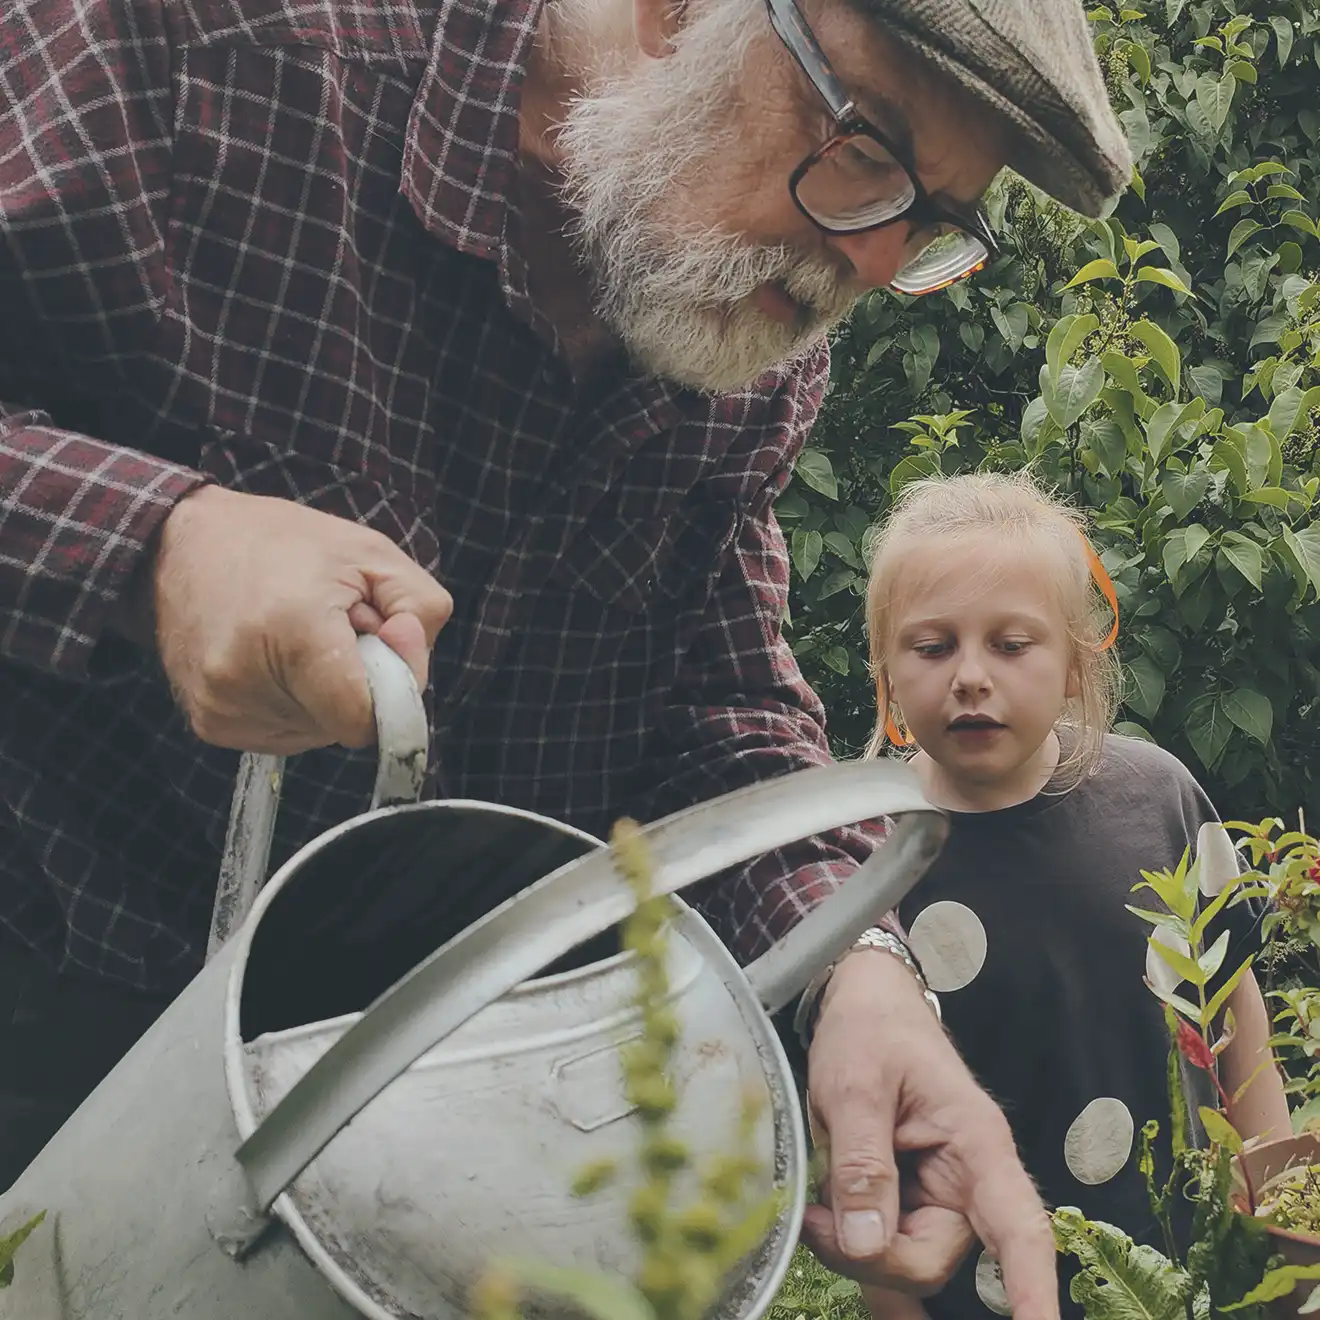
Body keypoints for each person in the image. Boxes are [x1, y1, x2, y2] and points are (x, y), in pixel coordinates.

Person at [0, 0, 1131, 1307]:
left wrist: (853, 975)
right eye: (869, 146)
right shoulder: (195, 52)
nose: (876, 265)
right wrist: (155, 547)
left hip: (400, 1110)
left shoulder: (746, 329)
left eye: (933, 218)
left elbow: (707, 689)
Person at [854, 472, 1292, 1319]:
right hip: (981, 1291)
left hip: (1193, 1260)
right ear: (888, 674)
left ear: (1074, 667)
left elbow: (1235, 1009)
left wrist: (1277, 1205)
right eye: (933, 646)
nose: (970, 676)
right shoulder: (866, 855)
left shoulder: (1156, 798)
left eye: (1011, 644)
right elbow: (868, 1127)